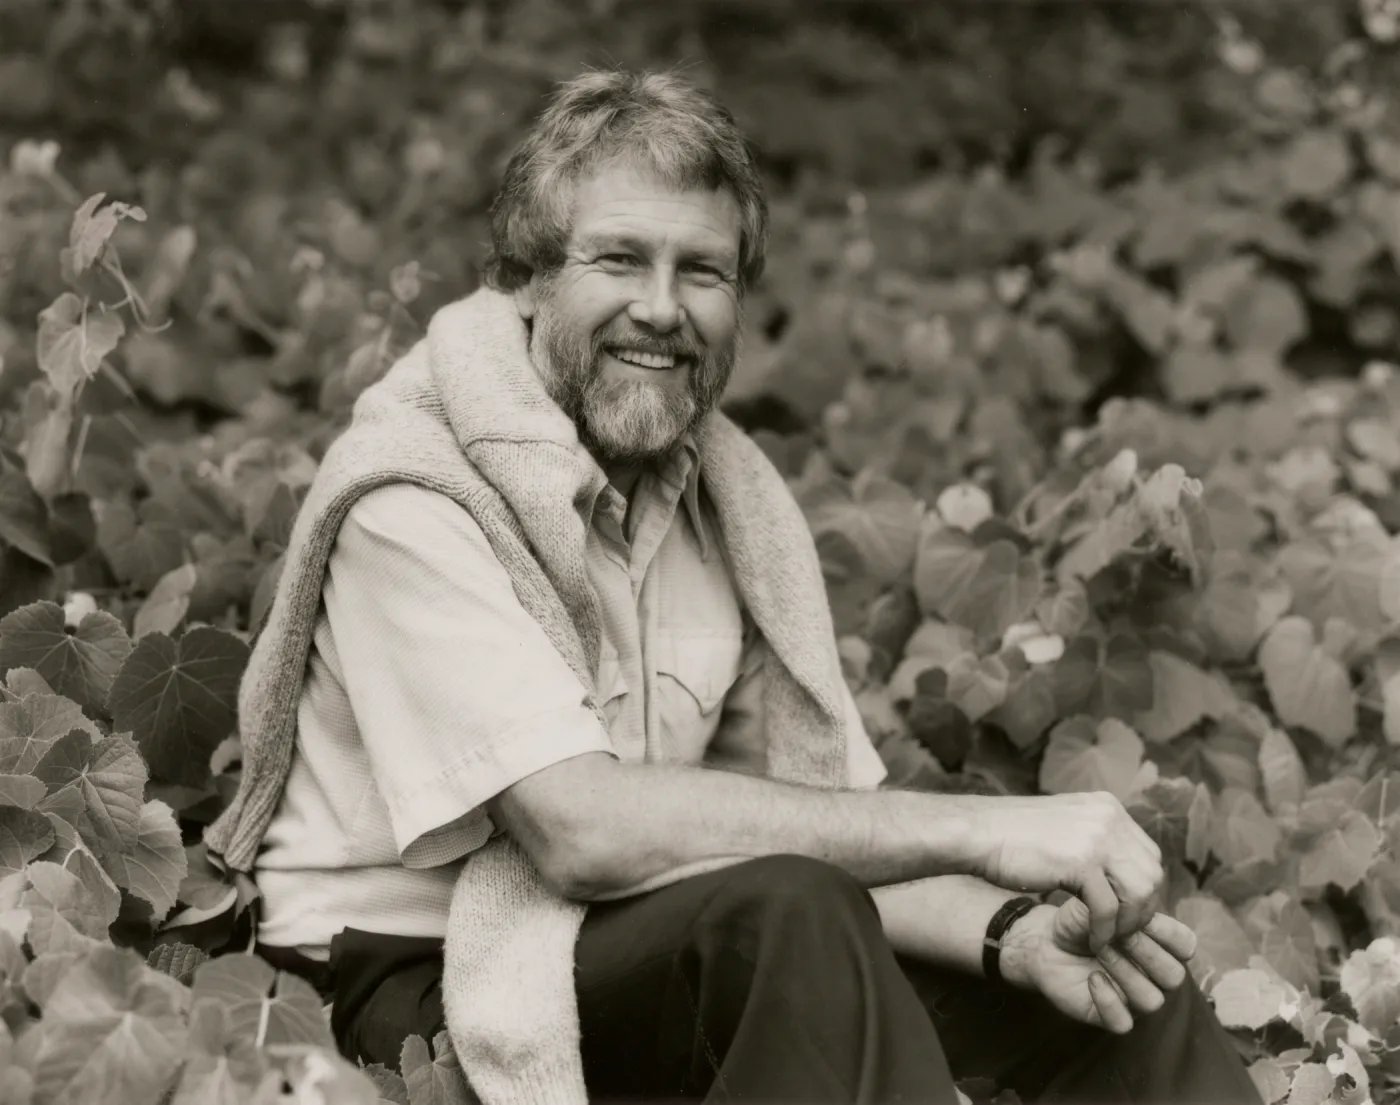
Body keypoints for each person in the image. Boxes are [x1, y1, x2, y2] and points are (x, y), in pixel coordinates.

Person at [212, 69, 1264, 1105]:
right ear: (527, 280)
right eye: (618, 259)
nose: (660, 310)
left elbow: (802, 824)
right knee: (791, 917)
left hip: (654, 933)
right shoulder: (417, 494)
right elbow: (582, 833)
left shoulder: (727, 502)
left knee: (1124, 993)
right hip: (412, 975)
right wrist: (985, 831)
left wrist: (1004, 932)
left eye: (702, 271)